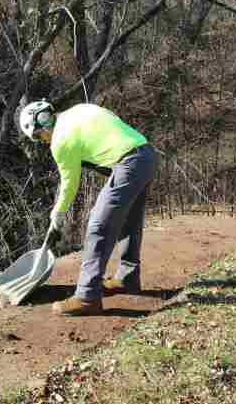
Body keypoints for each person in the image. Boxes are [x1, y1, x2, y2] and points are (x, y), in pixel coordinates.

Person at [19, 100, 157, 315]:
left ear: (41, 128)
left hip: (128, 163)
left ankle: (87, 297)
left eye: (38, 138)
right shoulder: (80, 109)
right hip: (146, 154)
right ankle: (126, 279)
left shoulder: (60, 140)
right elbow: (112, 123)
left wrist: (58, 212)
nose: (43, 141)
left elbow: (69, 183)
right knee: (130, 221)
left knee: (99, 225)